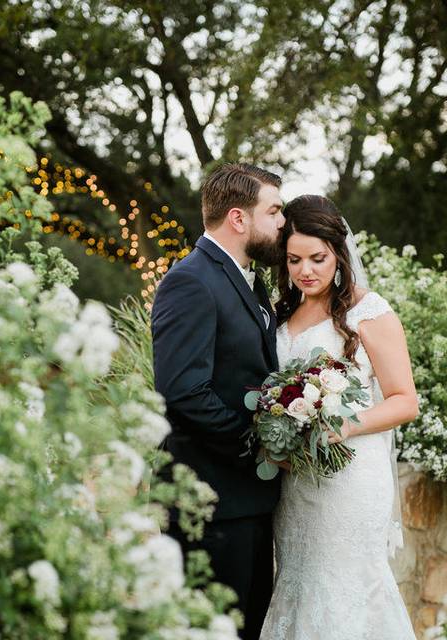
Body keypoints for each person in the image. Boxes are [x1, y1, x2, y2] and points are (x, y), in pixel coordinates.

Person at [259, 194, 418, 640]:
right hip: (297, 483)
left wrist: (340, 426)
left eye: (317, 258)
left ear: (339, 254)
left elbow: (405, 399)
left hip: (351, 480)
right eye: (294, 260)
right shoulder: (281, 312)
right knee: (298, 584)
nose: (305, 271)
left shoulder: (369, 312)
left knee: (345, 588)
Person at [151, 162, 286, 640]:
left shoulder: (248, 281)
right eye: (273, 211)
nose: (282, 222)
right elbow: (183, 392)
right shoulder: (190, 281)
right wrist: (260, 447)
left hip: (244, 502)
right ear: (238, 218)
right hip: (209, 503)